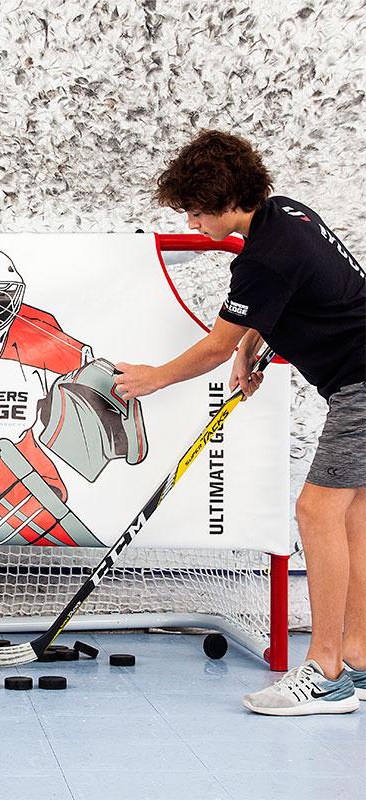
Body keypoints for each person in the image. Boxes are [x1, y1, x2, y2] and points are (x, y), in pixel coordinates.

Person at [115, 129, 365, 716]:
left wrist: (152, 378)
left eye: (197, 211)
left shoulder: (264, 259)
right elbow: (283, 300)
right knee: (353, 515)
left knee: (316, 510)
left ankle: (324, 671)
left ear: (226, 201)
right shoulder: (287, 214)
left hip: (361, 385)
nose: (195, 223)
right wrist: (252, 344)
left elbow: (209, 346)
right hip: (359, 379)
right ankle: (356, 658)